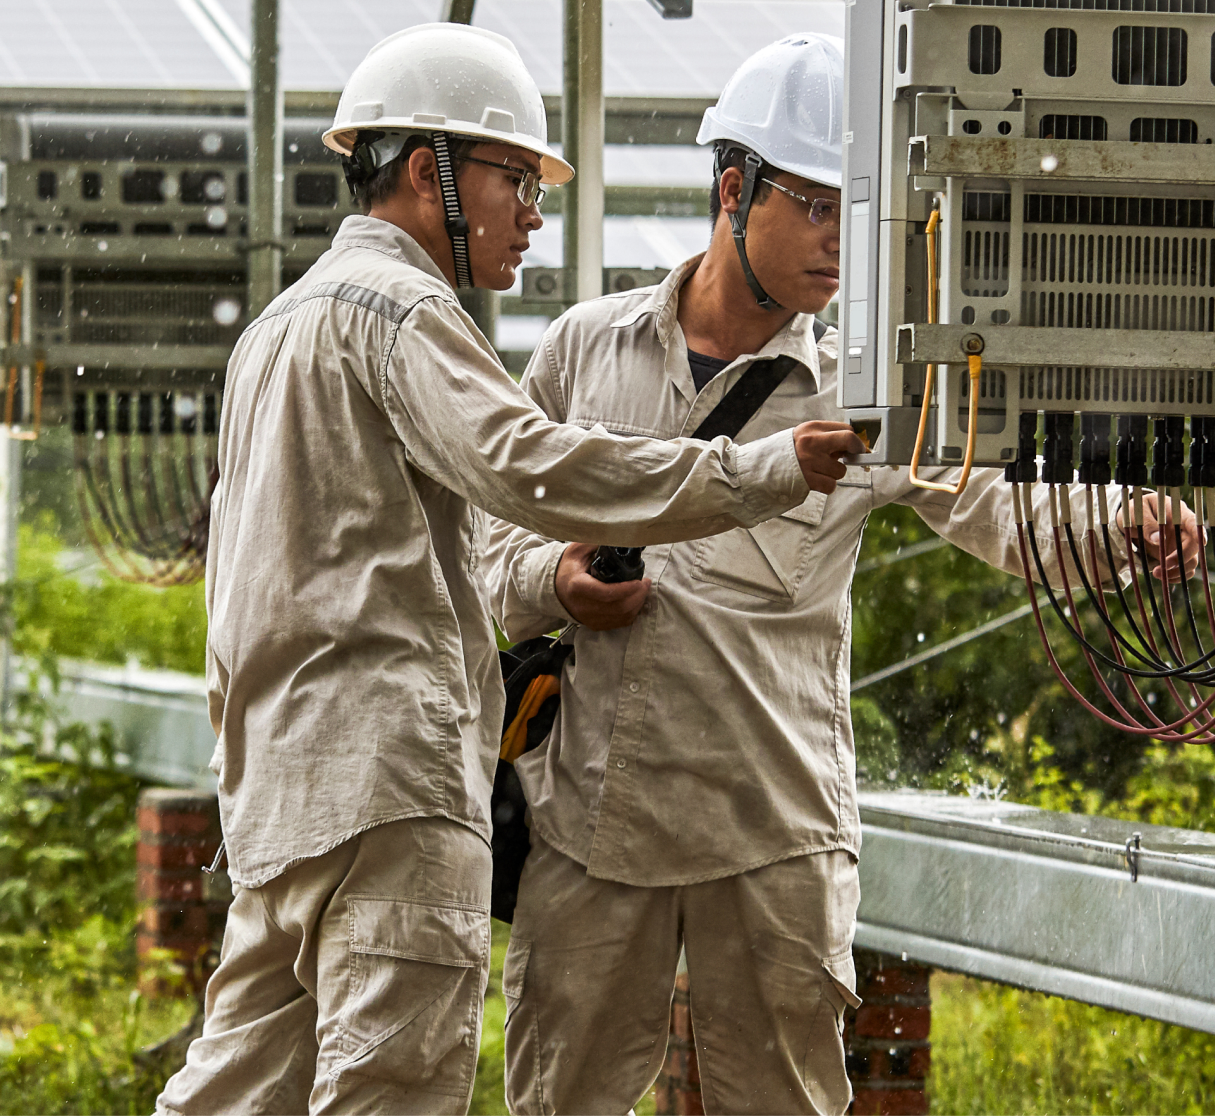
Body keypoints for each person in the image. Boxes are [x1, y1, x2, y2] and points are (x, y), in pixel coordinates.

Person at [155, 24, 869, 1116]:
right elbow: (524, 468)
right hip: (393, 788)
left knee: (235, 1092)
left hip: (281, 792)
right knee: (387, 1091)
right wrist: (758, 472)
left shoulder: (278, 326)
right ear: (427, 169)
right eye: (513, 180)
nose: (533, 213)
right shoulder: (406, 313)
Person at [478, 33, 1198, 1116]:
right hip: (592, 828)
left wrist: (1119, 520)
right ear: (735, 191)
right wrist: (556, 579)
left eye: (852, 211)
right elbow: (489, 540)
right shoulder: (588, 349)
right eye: (813, 205)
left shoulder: (869, 388)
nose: (838, 241)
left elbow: (996, 503)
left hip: (776, 840)